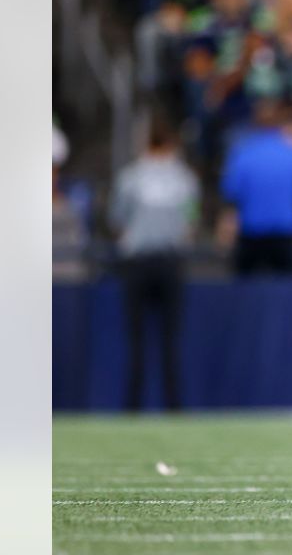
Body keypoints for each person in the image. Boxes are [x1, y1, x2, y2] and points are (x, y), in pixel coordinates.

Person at [108, 116, 199, 410]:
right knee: (171, 341)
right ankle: (174, 407)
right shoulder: (185, 178)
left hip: (138, 261)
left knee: (135, 341)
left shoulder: (130, 177)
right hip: (170, 261)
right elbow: (191, 223)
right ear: (171, 144)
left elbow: (117, 221)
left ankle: (132, 407)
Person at [220, 99, 292, 275]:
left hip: (252, 231)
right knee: (288, 292)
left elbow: (231, 191)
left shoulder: (242, 153)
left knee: (247, 295)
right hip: (285, 232)